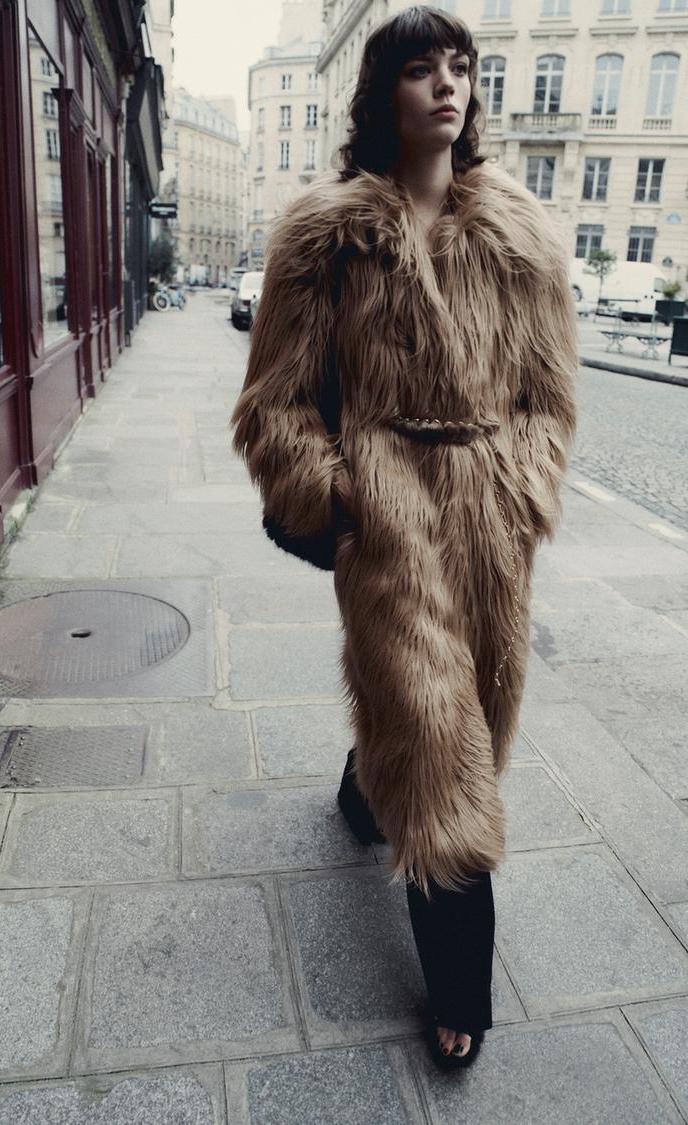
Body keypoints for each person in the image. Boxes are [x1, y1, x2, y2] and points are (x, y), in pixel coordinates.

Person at [230, 5, 578, 1070]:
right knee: (440, 743)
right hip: (387, 511)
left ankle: (357, 784)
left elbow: (548, 397)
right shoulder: (324, 234)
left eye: (461, 67)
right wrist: (341, 500)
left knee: (475, 703)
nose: (447, 84)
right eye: (422, 67)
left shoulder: (519, 234)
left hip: (489, 517)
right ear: (383, 90)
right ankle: (461, 988)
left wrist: (520, 488)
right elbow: (273, 405)